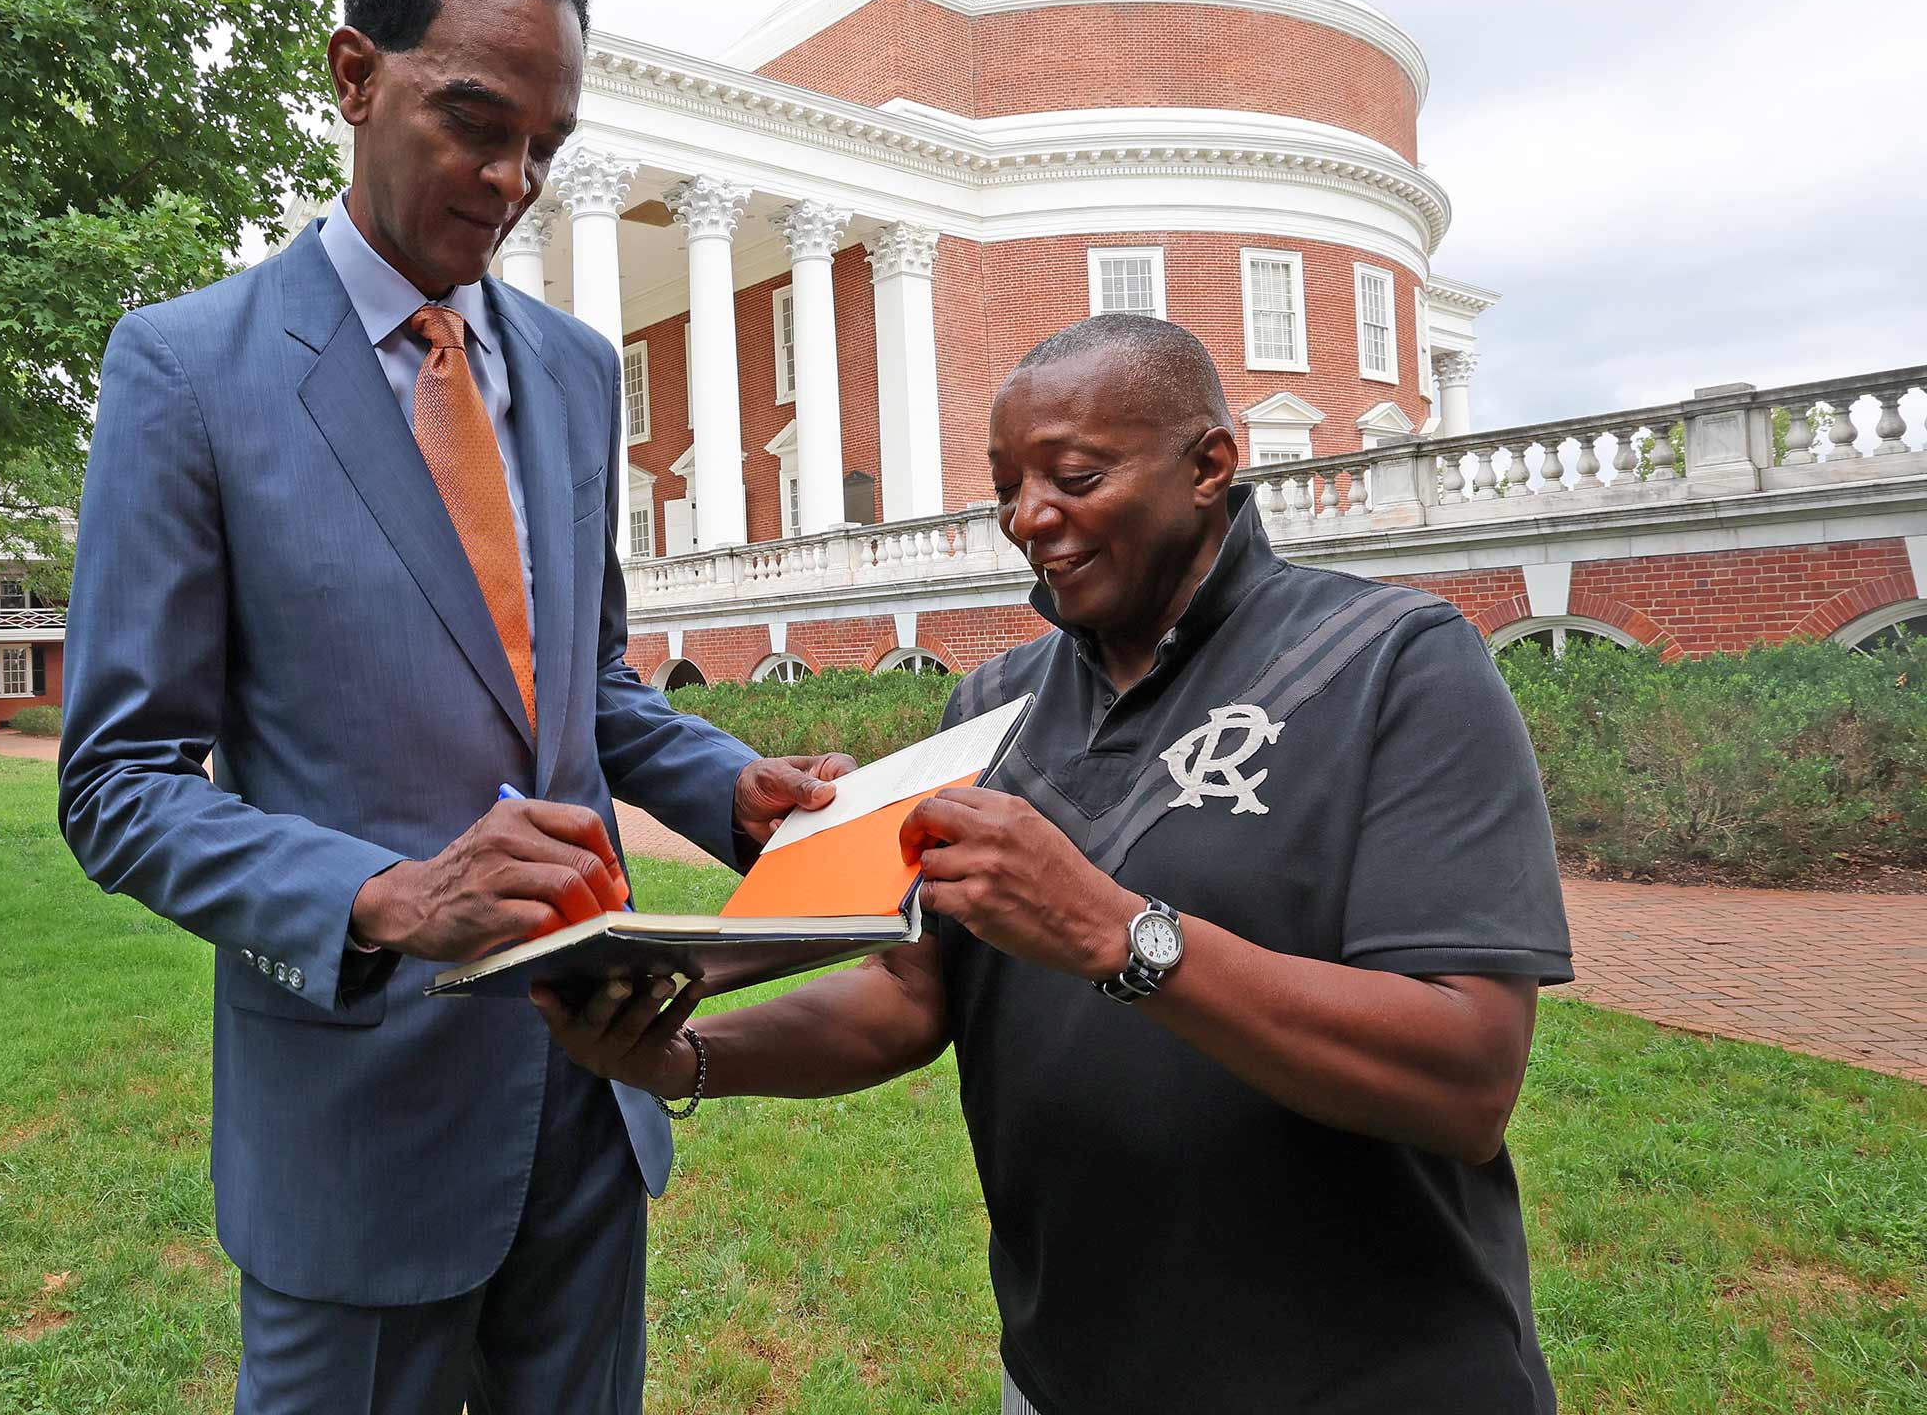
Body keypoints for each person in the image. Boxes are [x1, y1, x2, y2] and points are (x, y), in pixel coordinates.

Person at [58, 0, 846, 1415]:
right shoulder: (185, 373)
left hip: (592, 1099)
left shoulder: (567, 370)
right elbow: (119, 782)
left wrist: (732, 792)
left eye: (546, 148)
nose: (510, 180)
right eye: (477, 122)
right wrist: (390, 897)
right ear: (356, 76)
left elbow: (587, 687)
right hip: (358, 1122)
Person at [542, 313, 1576, 1414]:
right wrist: (686, 1056)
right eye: (1007, 484)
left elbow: (1466, 1077)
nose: (1029, 517)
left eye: (1075, 475)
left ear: (1211, 465)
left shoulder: (1395, 664)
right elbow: (912, 991)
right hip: (1064, 1372)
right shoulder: (990, 709)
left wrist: (1116, 934)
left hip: (1369, 1379)